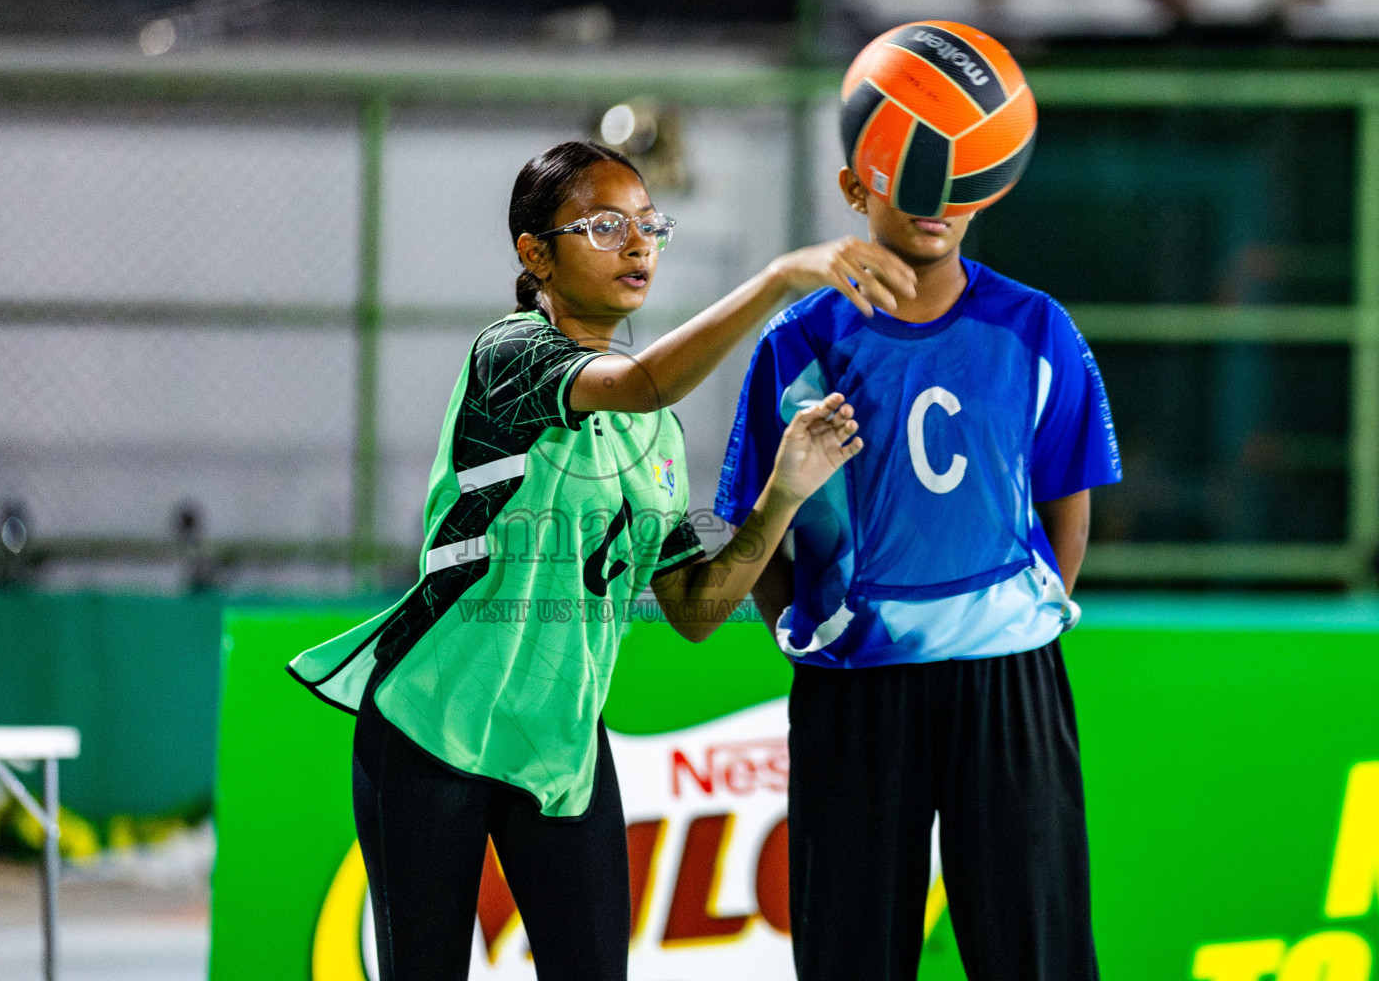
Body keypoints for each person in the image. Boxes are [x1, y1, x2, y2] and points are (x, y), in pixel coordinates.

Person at [287, 139, 905, 981]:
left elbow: (693, 609)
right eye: (607, 226)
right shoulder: (509, 356)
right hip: (434, 730)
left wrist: (783, 495)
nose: (639, 244)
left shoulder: (654, 430)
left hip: (560, 748)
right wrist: (777, 281)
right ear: (534, 254)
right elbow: (644, 380)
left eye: (650, 226)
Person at [715, 167, 1123, 980]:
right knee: (851, 952)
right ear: (853, 189)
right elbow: (755, 533)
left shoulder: (1037, 327)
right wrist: (816, 637)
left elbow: (1068, 510)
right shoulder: (796, 342)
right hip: (855, 689)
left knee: (1036, 950)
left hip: (1010, 680)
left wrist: (1014, 623)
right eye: (910, 181)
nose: (935, 204)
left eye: (958, 182)